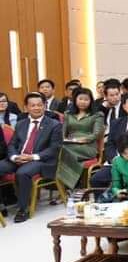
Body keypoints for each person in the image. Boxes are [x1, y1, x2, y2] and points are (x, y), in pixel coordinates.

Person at [0, 93, 63, 222]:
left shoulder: (54, 124)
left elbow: (54, 149)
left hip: (41, 160)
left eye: (40, 105)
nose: (36, 108)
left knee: (22, 172)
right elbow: (12, 144)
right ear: (26, 107)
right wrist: (14, 157)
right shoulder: (21, 124)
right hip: (19, 158)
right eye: (32, 105)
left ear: (45, 106)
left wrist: (32, 157)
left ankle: (23, 209)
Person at [56, 87, 105, 189]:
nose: (83, 102)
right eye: (80, 99)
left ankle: (69, 186)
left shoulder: (97, 115)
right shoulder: (68, 114)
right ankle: (70, 186)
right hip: (70, 143)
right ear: (75, 100)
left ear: (91, 101)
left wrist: (83, 139)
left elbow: (96, 134)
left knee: (63, 152)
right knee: (58, 149)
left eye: (86, 99)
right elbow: (63, 132)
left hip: (88, 146)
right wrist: (65, 140)